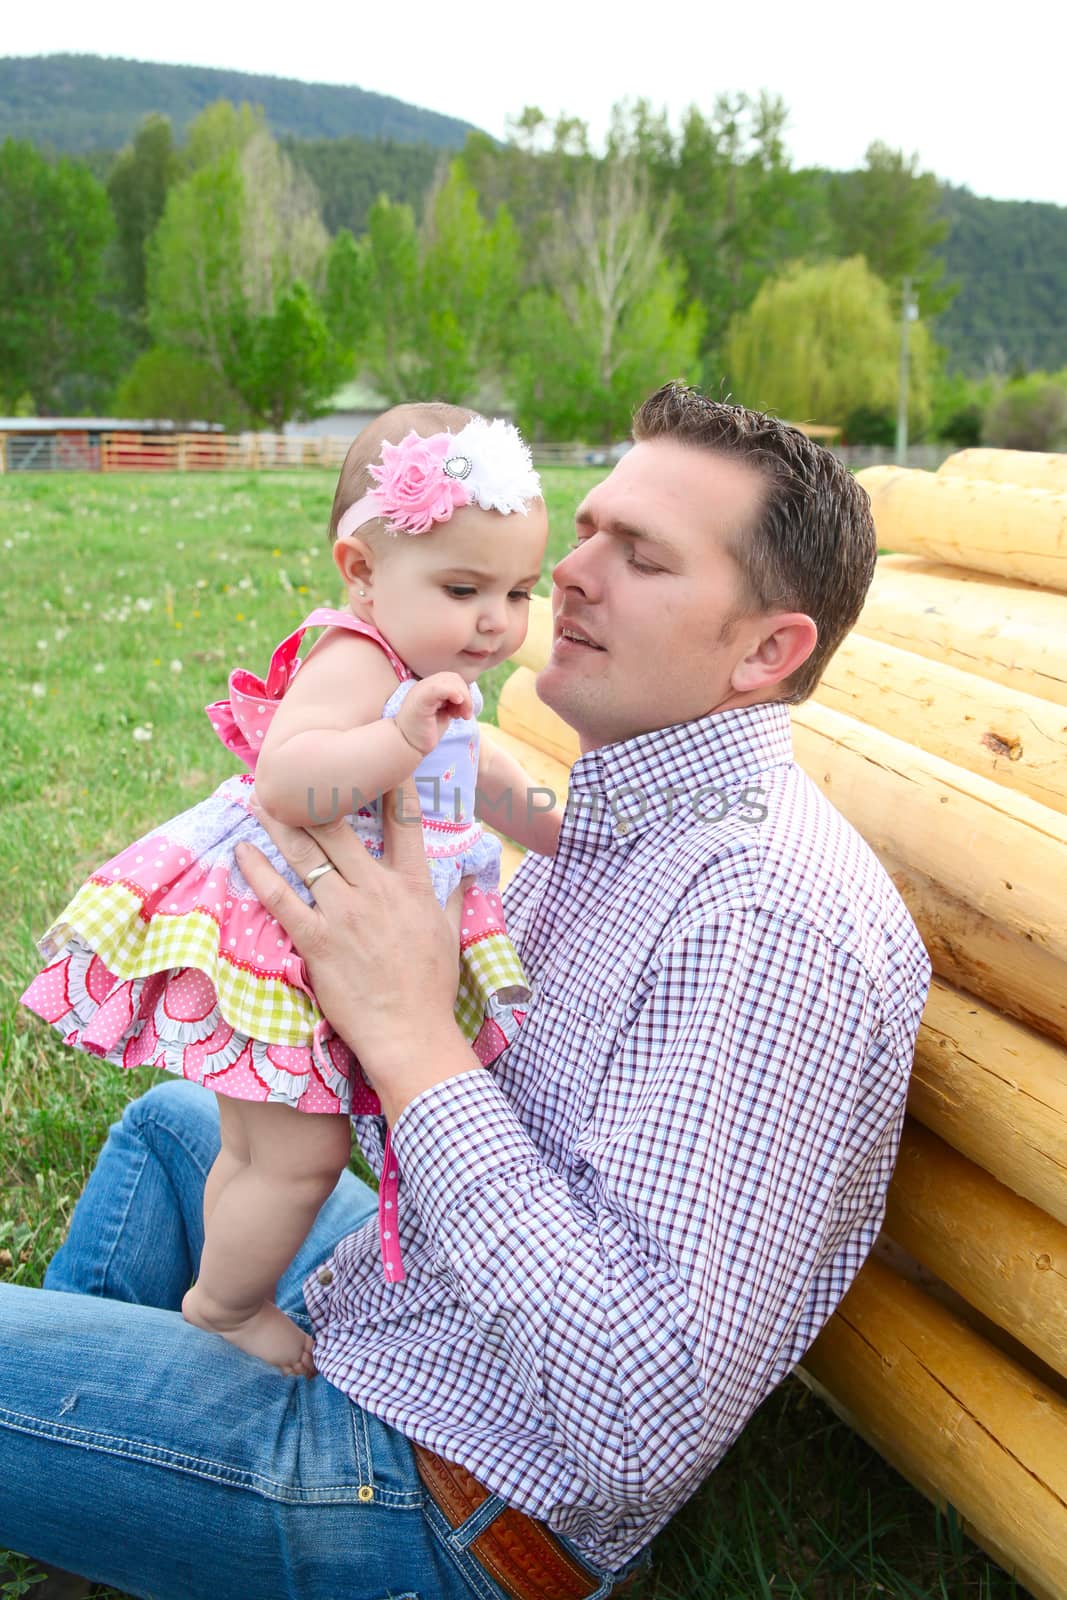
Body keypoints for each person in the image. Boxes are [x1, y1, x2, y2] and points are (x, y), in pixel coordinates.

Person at [1, 383, 931, 1600]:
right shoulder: (632, 817)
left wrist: (405, 1038)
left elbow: (635, 1406)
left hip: (446, 1499)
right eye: (587, 531)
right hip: (416, 1320)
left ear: (766, 649)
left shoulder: (762, 922)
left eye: (640, 557)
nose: (570, 577)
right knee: (176, 1132)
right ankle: (96, 1520)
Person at [19, 401, 556, 1375]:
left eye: (519, 591)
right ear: (361, 576)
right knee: (300, 1158)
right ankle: (224, 1306)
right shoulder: (357, 659)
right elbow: (285, 778)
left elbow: (481, 774)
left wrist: (554, 820)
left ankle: (209, 1293)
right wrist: (397, 739)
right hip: (281, 933)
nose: (495, 619)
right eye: (464, 585)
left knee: (260, 1151)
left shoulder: (428, 669)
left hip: (338, 933)